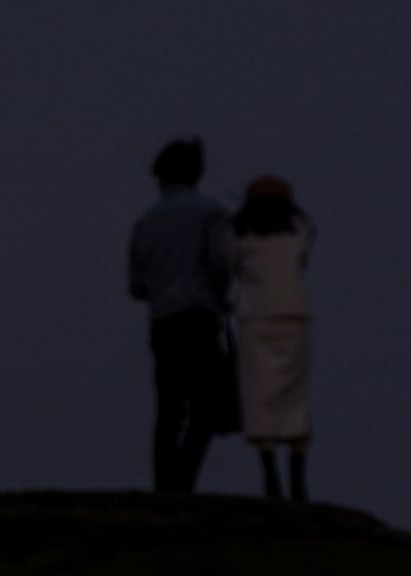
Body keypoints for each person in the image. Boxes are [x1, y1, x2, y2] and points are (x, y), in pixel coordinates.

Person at [129, 138, 238, 493]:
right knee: (204, 407)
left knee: (169, 407)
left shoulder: (146, 222)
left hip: (163, 321)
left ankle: (164, 487)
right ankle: (185, 482)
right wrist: (222, 298)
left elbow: (136, 284)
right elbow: (222, 263)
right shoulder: (211, 213)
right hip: (199, 317)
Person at [231, 174, 316, 502]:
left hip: (256, 317)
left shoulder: (240, 237)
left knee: (260, 395)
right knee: (294, 395)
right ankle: (298, 473)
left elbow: (230, 267)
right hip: (295, 315)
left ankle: (270, 474)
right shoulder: (299, 234)